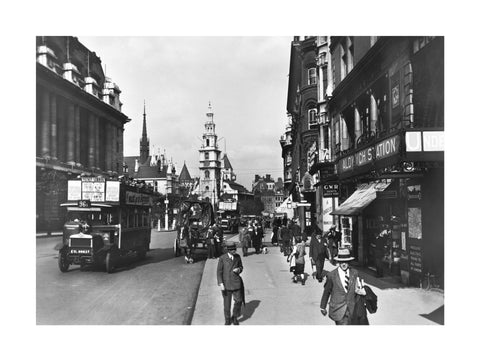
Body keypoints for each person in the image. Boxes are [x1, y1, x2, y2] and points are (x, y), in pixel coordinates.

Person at [320, 248, 366, 325]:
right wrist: (323, 306)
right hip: (338, 309)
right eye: (341, 262)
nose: (344, 264)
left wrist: (363, 299)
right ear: (338, 262)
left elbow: (359, 288)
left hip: (352, 309)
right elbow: (327, 291)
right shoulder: (332, 275)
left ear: (349, 262)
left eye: (346, 262)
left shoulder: (355, 273)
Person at [217, 241, 245, 325]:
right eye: (232, 250)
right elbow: (219, 272)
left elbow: (241, 267)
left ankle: (235, 317)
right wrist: (221, 283)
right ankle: (227, 319)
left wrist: (239, 270)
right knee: (227, 305)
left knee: (239, 301)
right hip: (226, 284)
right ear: (228, 250)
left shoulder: (237, 257)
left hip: (236, 282)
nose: (234, 251)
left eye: (235, 249)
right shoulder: (222, 258)